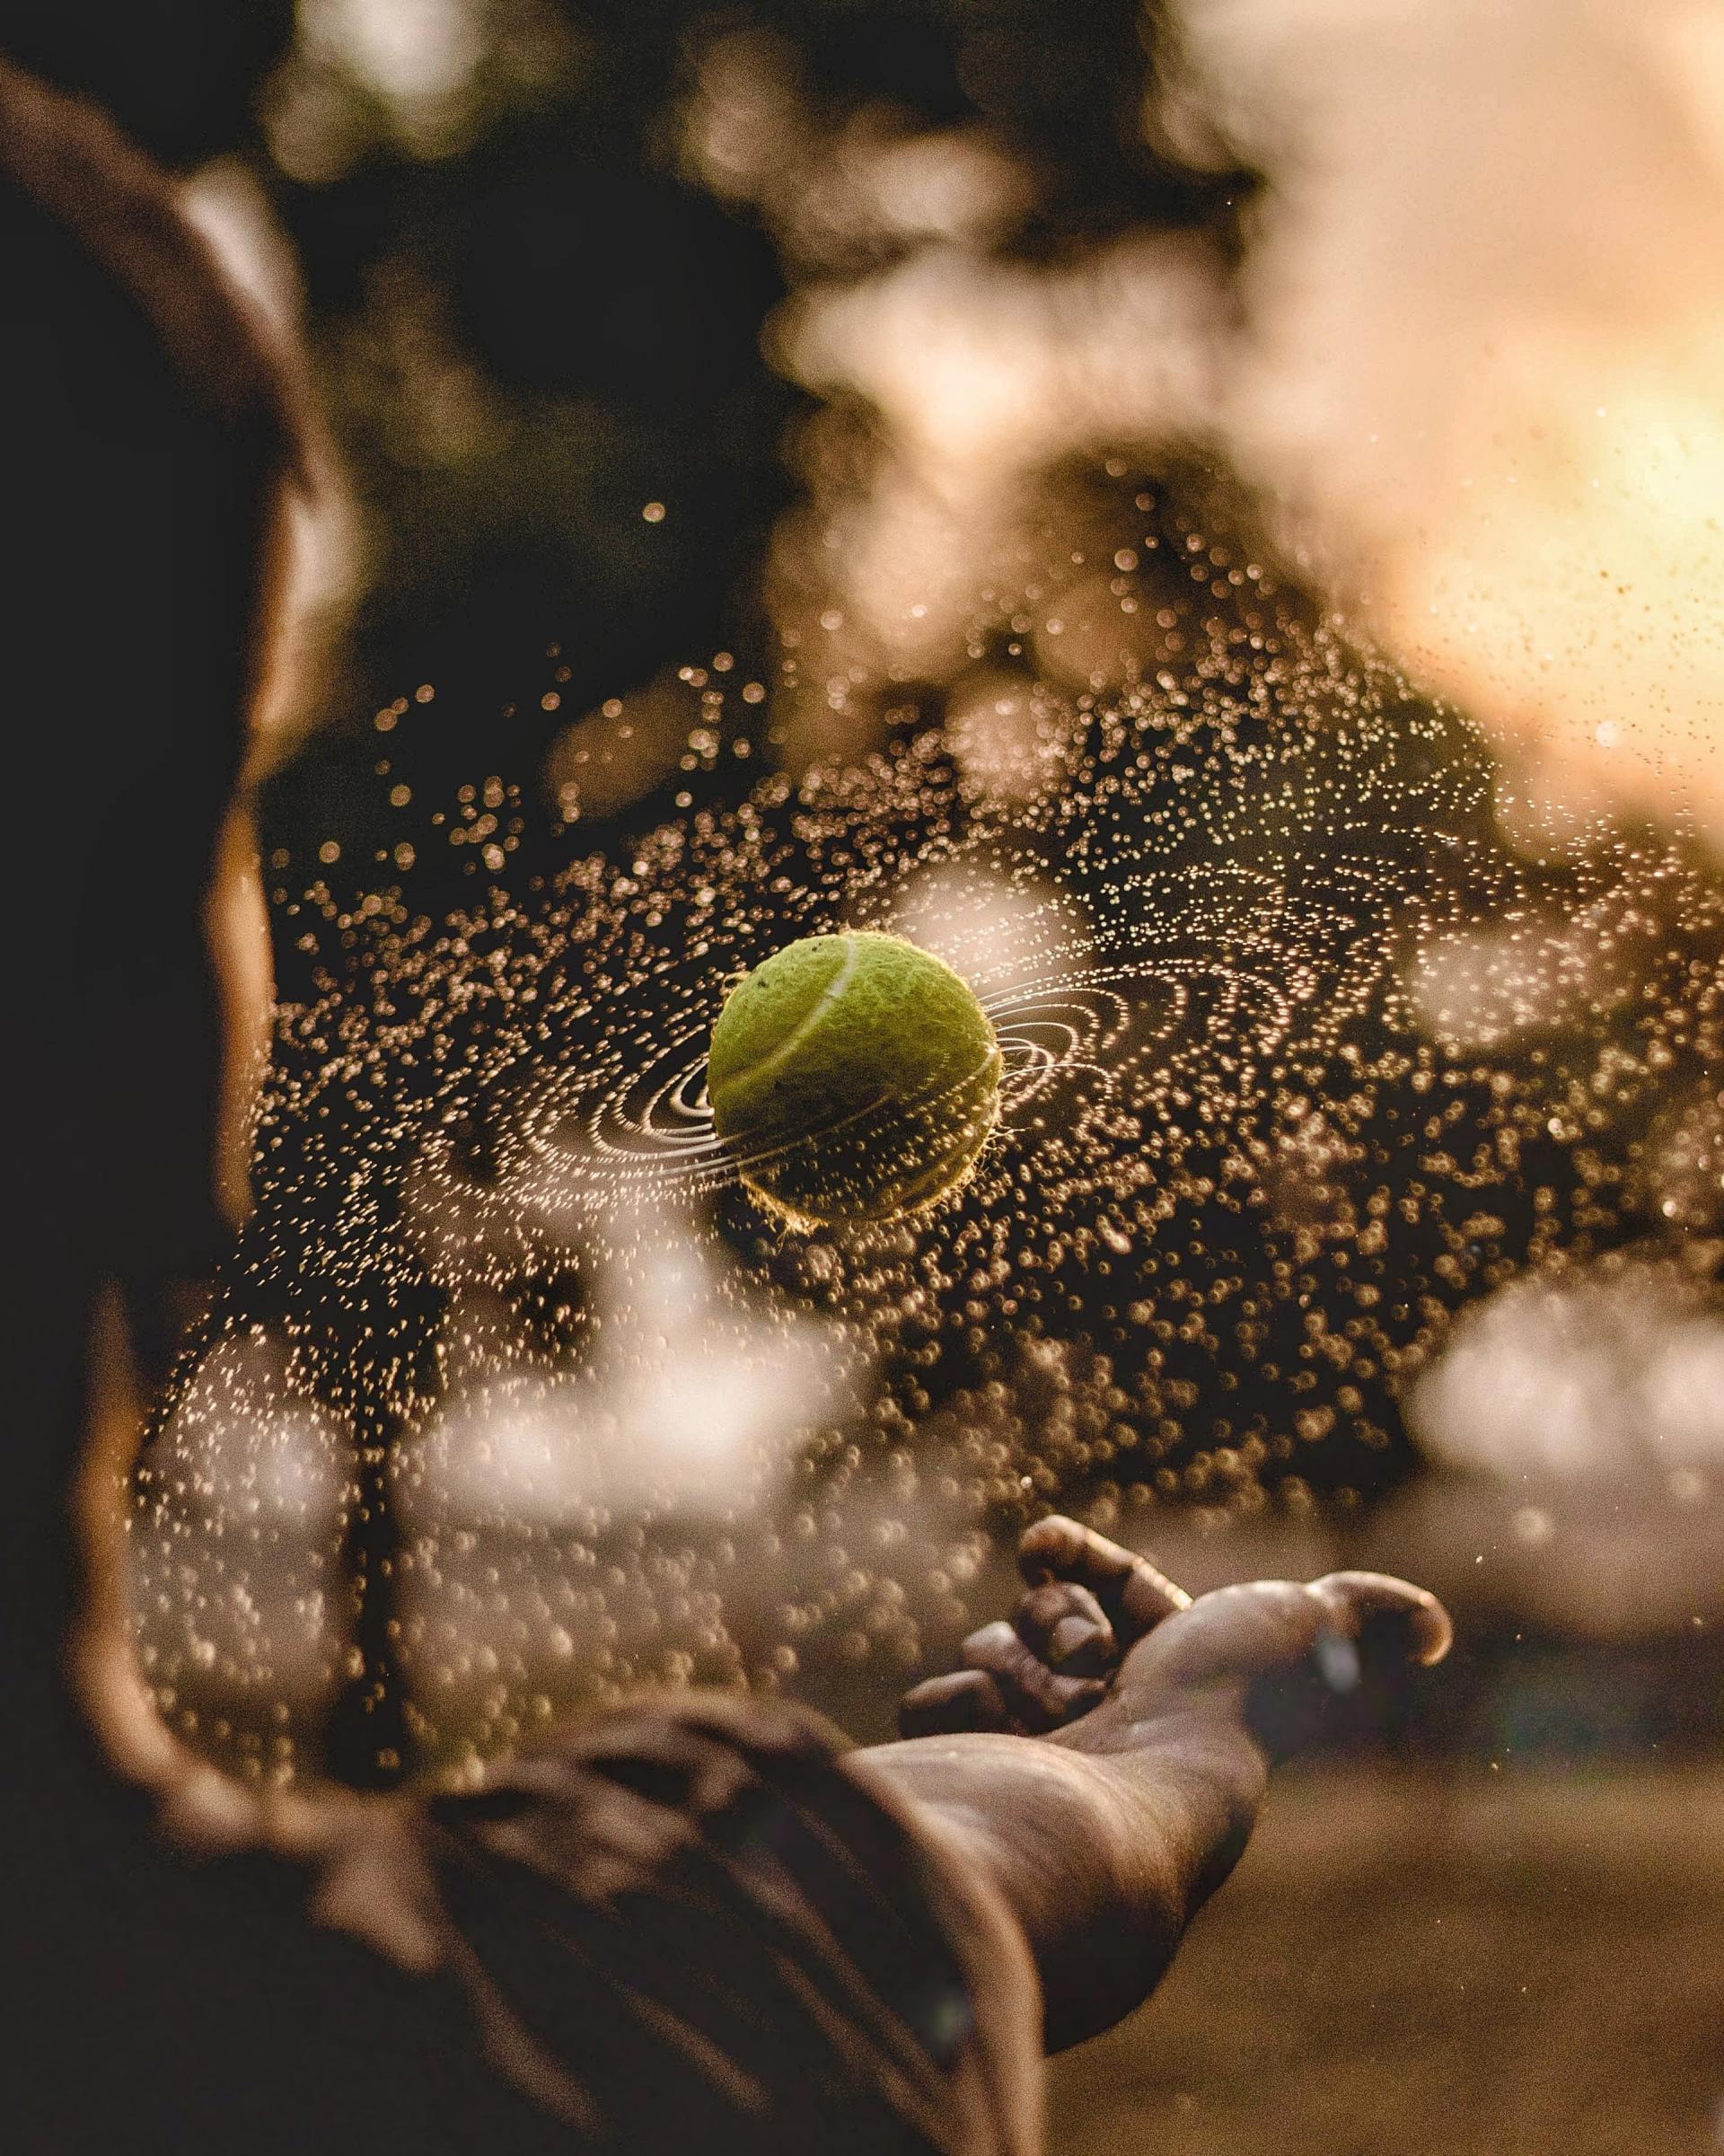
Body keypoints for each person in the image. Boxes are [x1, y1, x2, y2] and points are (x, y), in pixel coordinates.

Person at [4, 51, 1451, 2153]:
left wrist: (1056, 1805)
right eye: (222, 798)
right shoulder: (554, 2045)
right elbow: (837, 1922)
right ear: (149, 1024)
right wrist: (1151, 1766)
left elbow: (878, 1884)